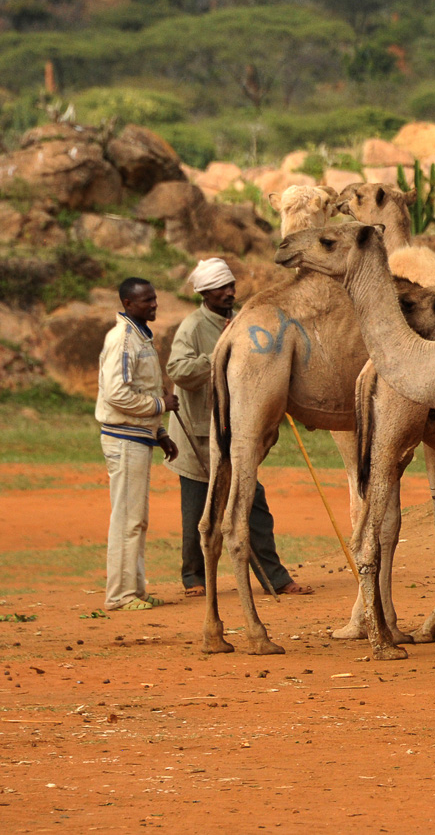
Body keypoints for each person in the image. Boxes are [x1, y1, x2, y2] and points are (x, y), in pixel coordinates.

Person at [166, 258, 311, 598]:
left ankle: (275, 578)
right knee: (197, 511)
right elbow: (178, 369)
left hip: (236, 434)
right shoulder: (192, 327)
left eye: (231, 286)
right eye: (221, 288)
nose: (229, 292)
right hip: (198, 435)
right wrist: (219, 356)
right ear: (204, 292)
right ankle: (193, 578)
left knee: (254, 505)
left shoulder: (241, 321)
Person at [97, 277, 178, 611]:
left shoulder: (141, 336)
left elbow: (141, 388)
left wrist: (160, 433)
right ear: (129, 304)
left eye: (155, 298)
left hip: (139, 436)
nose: (154, 304)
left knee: (136, 518)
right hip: (124, 437)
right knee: (128, 518)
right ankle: (120, 595)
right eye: (147, 301)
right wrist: (160, 407)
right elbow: (116, 394)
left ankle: (135, 589)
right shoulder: (123, 338)